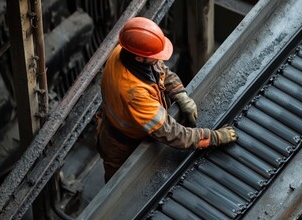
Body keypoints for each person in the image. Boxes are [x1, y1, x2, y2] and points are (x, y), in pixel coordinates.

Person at [96, 17, 238, 182]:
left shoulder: (126, 50)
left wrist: (180, 95)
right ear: (140, 58)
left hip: (125, 123)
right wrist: (212, 137)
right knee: (117, 183)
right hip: (122, 144)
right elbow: (172, 133)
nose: (160, 58)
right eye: (155, 55)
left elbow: (160, 69)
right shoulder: (134, 94)